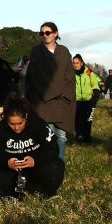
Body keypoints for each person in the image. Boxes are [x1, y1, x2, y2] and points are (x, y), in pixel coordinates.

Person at [0, 95, 64, 199]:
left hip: (35, 168)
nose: (16, 127)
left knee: (56, 166)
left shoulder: (37, 124)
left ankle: (45, 193)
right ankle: (11, 195)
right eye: (12, 124)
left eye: (20, 123)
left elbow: (53, 149)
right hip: (11, 171)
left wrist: (35, 160)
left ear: (26, 116)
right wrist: (7, 163)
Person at [25, 22, 74, 161]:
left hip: (62, 102)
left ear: (56, 34)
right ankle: (47, 165)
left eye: (48, 32)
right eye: (42, 33)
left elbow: (69, 77)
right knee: (46, 137)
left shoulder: (64, 52)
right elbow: (34, 76)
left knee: (61, 137)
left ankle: (59, 165)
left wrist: (65, 94)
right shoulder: (36, 51)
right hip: (42, 102)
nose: (45, 35)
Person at [71, 54, 101, 143]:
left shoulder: (88, 72)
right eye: (73, 63)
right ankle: (79, 135)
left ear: (81, 63)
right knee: (78, 119)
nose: (75, 65)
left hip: (88, 100)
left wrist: (96, 94)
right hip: (77, 100)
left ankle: (87, 137)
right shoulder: (70, 74)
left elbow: (96, 82)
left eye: (77, 63)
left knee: (88, 120)